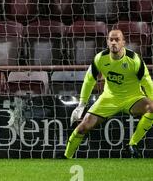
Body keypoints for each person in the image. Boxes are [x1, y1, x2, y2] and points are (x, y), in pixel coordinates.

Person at [64, 29, 153, 159]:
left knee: (152, 108)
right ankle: (66, 156)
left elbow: (147, 82)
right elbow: (89, 81)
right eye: (111, 39)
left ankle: (132, 145)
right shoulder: (100, 58)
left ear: (123, 42)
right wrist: (81, 105)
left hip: (133, 98)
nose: (113, 42)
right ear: (107, 42)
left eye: (117, 39)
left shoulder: (134, 60)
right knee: (83, 127)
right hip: (108, 99)